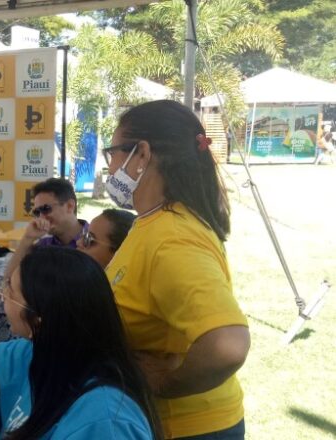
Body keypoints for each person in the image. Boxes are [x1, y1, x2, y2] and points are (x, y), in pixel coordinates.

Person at [103, 100, 250, 439]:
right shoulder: (158, 222)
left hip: (188, 428)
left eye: (112, 152)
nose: (110, 166)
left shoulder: (172, 238)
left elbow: (228, 344)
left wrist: (164, 382)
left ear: (141, 155)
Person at [0, 247, 161, 439]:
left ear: (38, 320)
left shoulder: (106, 423)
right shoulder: (43, 352)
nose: (1, 296)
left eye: (10, 291)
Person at [5, 177, 88, 278]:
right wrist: (28, 238)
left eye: (46, 209)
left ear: (70, 206)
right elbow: (9, 278)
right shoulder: (44, 246)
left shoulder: (95, 240)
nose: (41, 217)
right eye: (37, 212)